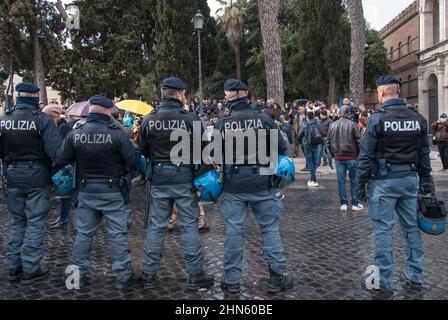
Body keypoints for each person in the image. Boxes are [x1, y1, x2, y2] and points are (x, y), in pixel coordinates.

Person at [357, 76, 434, 294]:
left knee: (383, 229)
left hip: (384, 182)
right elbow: (424, 152)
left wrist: (360, 182)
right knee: (411, 228)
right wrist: (426, 179)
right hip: (410, 179)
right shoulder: (417, 118)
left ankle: (382, 281)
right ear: (398, 92)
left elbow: (366, 155)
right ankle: (415, 275)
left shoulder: (376, 120)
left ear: (381, 94)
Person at [55, 95, 141, 290]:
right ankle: (124, 277)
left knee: (83, 235)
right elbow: (133, 161)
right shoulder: (117, 133)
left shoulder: (75, 133)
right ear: (108, 111)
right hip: (112, 190)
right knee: (117, 235)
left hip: (85, 190)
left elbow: (61, 158)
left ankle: (75, 278)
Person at [216, 79, 293, 295]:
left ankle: (231, 281)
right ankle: (276, 278)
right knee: (269, 229)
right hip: (263, 181)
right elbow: (281, 147)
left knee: (234, 230)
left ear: (230, 97)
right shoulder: (263, 119)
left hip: (235, 183)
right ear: (246, 94)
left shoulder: (224, 122)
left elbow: (214, 153)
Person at [139, 77, 214, 291]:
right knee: (190, 226)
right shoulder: (191, 119)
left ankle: (148, 273)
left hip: (160, 178)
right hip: (183, 177)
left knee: (156, 227)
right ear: (179, 95)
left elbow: (142, 150)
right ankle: (195, 275)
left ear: (164, 93)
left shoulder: (149, 119)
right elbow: (204, 150)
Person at [0, 82, 61, 284]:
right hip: (36, 175)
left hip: (12, 173)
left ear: (18, 96)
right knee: (35, 222)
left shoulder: (4, 119)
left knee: (18, 222)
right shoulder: (42, 120)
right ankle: (30, 268)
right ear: (35, 96)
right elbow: (55, 153)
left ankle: (13, 266)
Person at [41, 104, 73, 229]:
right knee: (62, 195)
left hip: (63, 167)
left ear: (53, 116)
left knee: (64, 195)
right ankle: (63, 218)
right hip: (61, 166)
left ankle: (64, 218)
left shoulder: (63, 127)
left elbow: (63, 148)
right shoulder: (58, 126)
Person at [328, 106, 363, 212]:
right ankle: (354, 203)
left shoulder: (332, 125)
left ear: (339, 113)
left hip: (338, 156)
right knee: (353, 180)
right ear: (349, 114)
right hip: (352, 155)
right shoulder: (353, 125)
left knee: (341, 181)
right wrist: (360, 154)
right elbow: (359, 141)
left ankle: (343, 203)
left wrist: (333, 154)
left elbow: (328, 142)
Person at [298, 111, 320, 187]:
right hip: (316, 144)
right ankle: (312, 179)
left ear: (307, 116)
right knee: (314, 162)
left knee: (310, 162)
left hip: (307, 145)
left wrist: (300, 141)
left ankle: (314, 179)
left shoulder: (305, 124)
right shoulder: (317, 123)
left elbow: (300, 134)